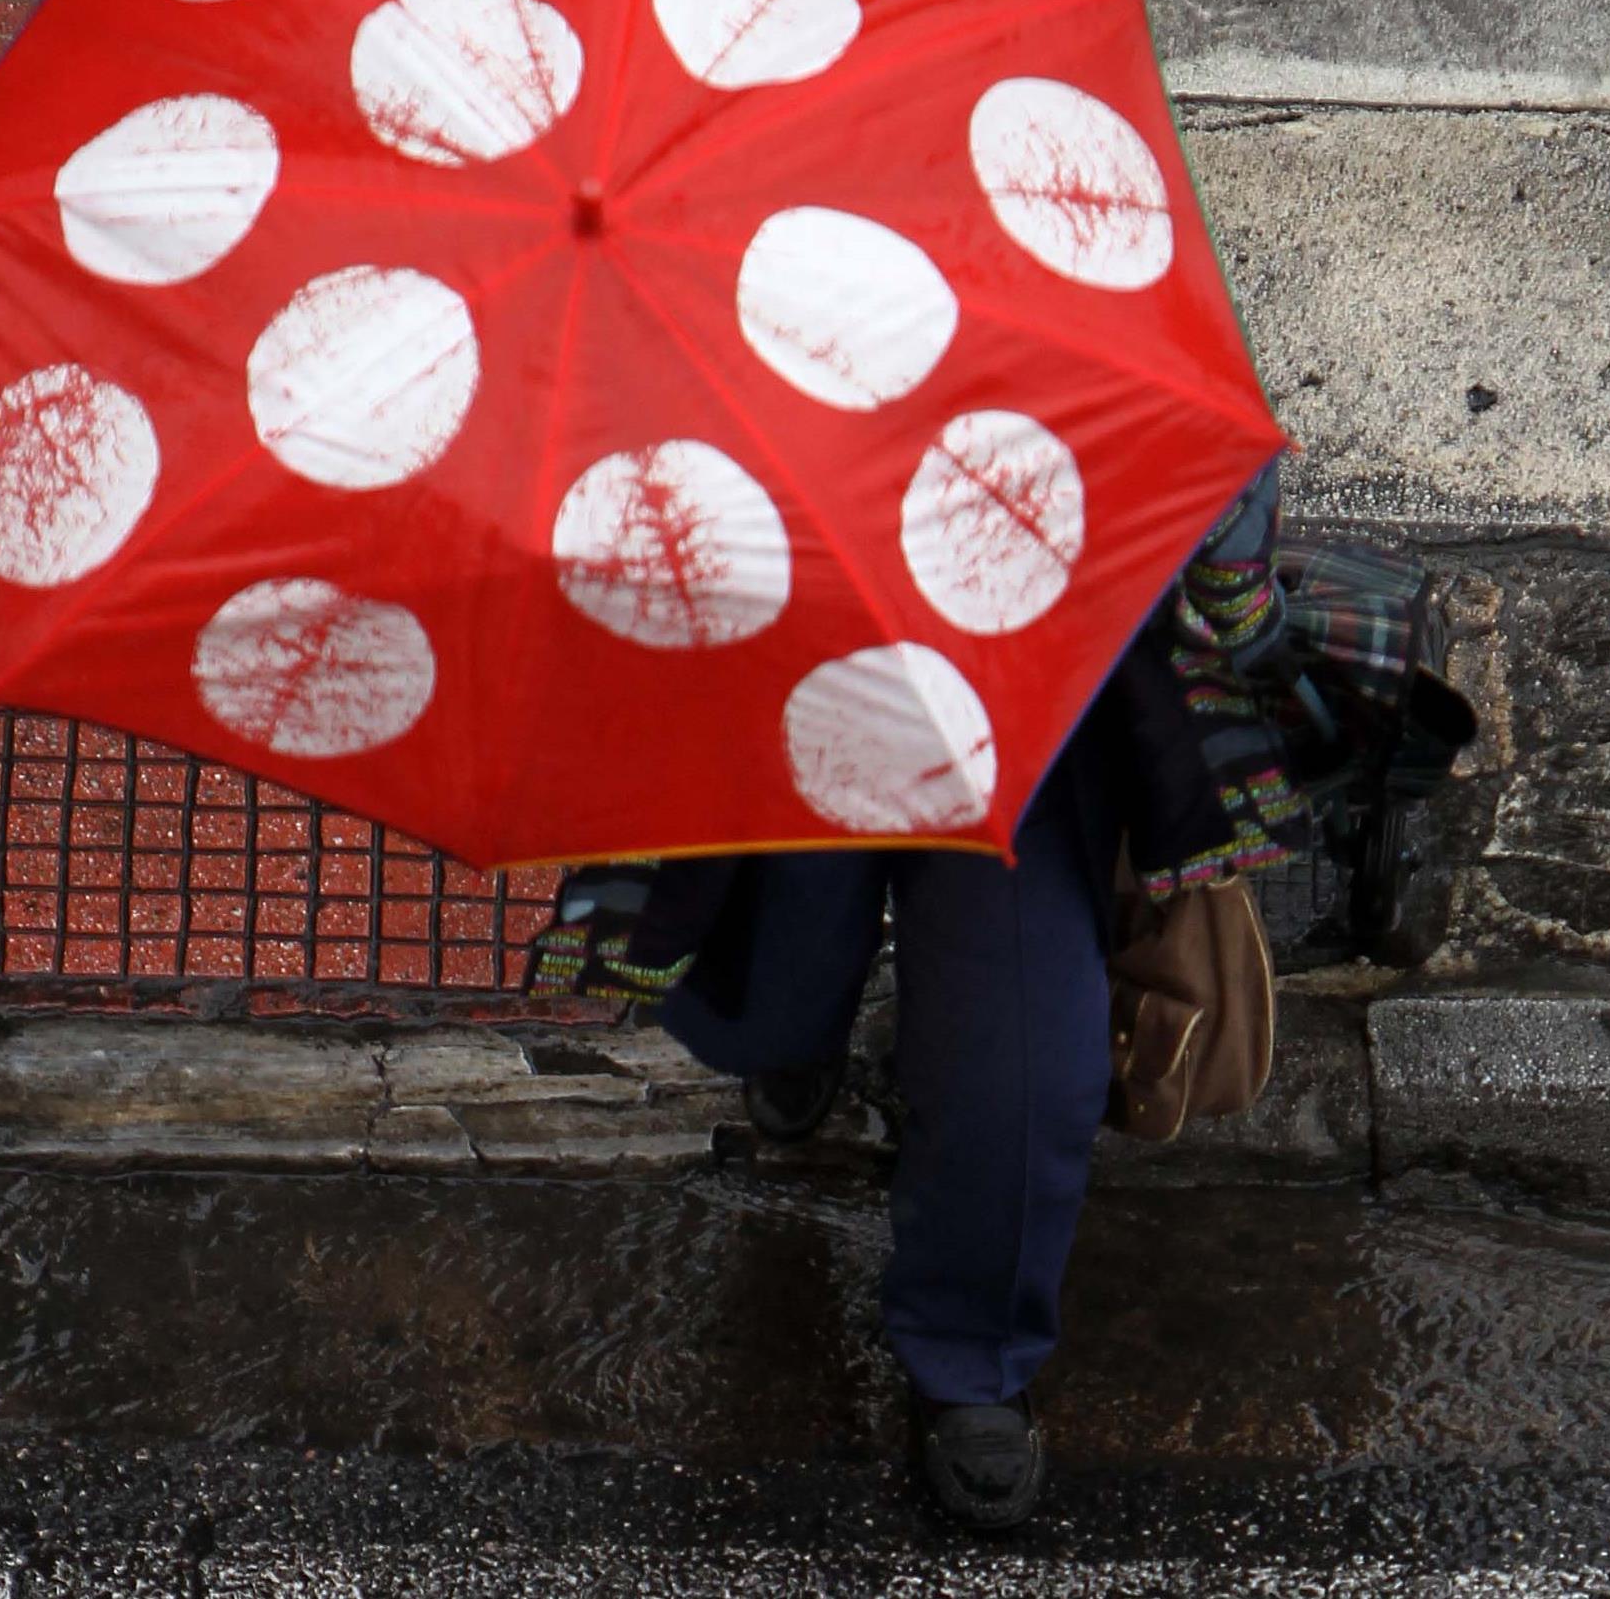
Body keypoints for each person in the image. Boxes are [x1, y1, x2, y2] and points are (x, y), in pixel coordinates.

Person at [531, 461, 1308, 1530]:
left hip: (1022, 682)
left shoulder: (1083, 287)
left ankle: (972, 1355)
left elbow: (1186, 428)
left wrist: (1239, 604)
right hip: (783, 640)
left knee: (1022, 1064)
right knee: (766, 989)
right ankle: (800, 1029)